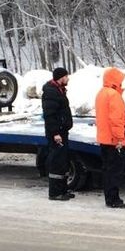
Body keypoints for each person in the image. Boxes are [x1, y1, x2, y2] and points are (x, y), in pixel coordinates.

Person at [95, 67, 125, 209]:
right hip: (114, 141)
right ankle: (114, 199)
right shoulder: (114, 95)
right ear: (115, 80)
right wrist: (120, 139)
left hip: (104, 139)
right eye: (120, 80)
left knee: (108, 170)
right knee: (115, 172)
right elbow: (116, 120)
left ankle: (109, 198)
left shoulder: (101, 93)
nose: (122, 83)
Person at [42, 67, 74, 201]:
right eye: (66, 76)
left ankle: (63, 190)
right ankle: (55, 193)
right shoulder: (51, 92)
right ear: (61, 77)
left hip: (62, 131)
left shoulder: (59, 90)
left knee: (63, 162)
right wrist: (55, 133)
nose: (68, 79)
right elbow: (50, 115)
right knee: (57, 162)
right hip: (57, 133)